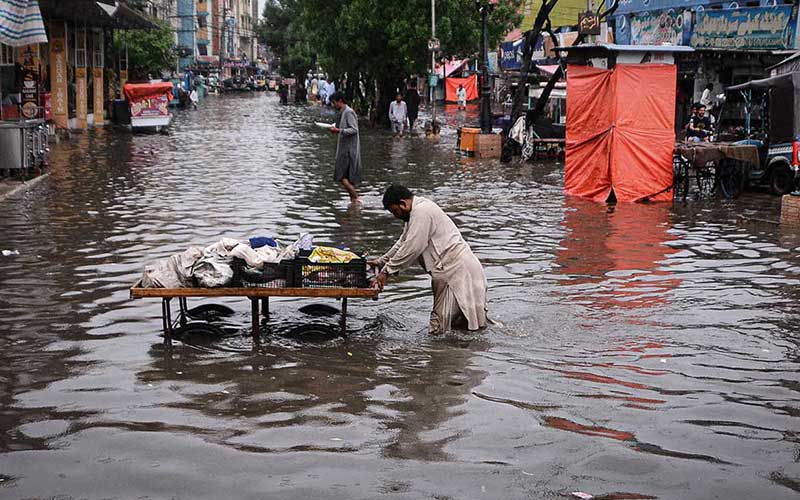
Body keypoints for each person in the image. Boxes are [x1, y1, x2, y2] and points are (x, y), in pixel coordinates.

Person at [369, 185, 488, 335]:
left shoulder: (421, 212)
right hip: (457, 269)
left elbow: (413, 247)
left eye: (395, 211)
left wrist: (386, 272)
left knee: (439, 329)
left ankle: (439, 356)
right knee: (462, 327)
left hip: (455, 271)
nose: (396, 216)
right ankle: (463, 355)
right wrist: (382, 261)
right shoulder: (416, 212)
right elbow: (403, 242)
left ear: (403, 203)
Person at [329, 92, 362, 203]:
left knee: (342, 176)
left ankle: (356, 198)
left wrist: (339, 130)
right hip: (344, 149)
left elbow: (354, 129)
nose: (334, 105)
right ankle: (353, 201)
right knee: (345, 177)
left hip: (348, 150)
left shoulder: (348, 112)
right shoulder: (343, 113)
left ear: (340, 101)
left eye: (334, 103)